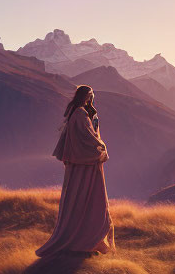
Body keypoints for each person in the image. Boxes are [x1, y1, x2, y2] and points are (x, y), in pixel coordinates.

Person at [35, 85, 116, 258]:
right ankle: (85, 241)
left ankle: (88, 241)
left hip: (82, 164)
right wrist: (101, 148)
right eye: (90, 95)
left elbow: (86, 135)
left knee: (80, 199)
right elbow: (88, 137)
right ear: (85, 96)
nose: (91, 98)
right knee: (89, 198)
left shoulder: (77, 113)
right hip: (85, 165)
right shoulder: (80, 114)